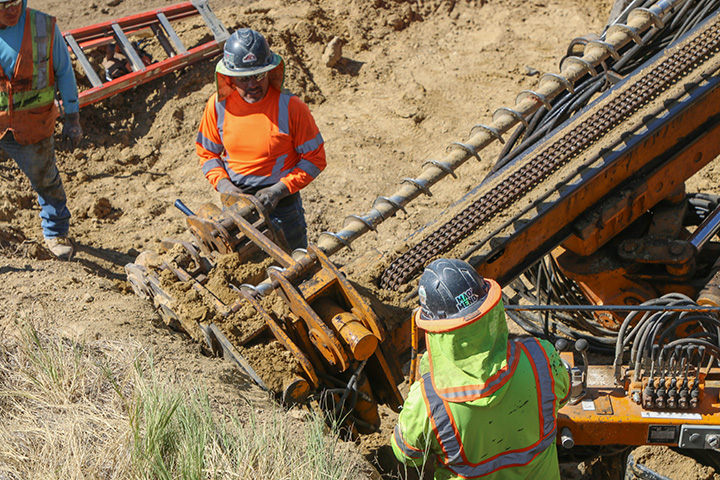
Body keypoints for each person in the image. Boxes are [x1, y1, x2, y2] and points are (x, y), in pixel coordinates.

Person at [392, 258, 570, 479]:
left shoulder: (426, 402)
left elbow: (407, 454)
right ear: (493, 309)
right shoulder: (543, 358)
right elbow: (562, 398)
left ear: (436, 330)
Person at [195, 28, 326, 251]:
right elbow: (207, 153)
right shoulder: (218, 106)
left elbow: (315, 159)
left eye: (258, 75)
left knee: (296, 263)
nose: (252, 85)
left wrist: (278, 191)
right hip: (236, 203)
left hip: (282, 206)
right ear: (230, 78)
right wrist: (225, 185)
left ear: (270, 71)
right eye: (243, 79)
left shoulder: (291, 107)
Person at [0, 0, 82, 260]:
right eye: (4, 4)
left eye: (16, 1)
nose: (13, 8)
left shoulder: (42, 26)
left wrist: (72, 117)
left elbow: (64, 71)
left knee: (45, 178)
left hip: (32, 123)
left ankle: (56, 231)